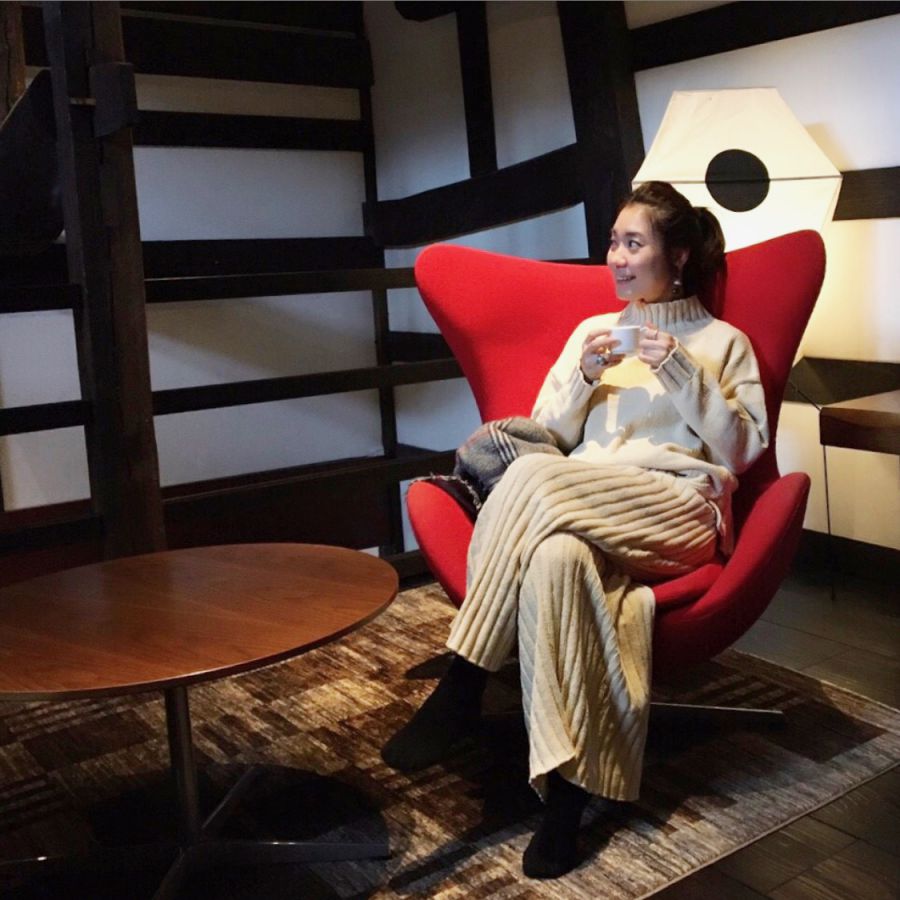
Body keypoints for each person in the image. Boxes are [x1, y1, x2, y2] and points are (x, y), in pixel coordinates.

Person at [381, 181, 770, 878]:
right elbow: (551, 435)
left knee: (532, 481)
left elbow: (742, 451)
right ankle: (566, 800)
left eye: (633, 243)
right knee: (556, 558)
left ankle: (465, 679)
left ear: (677, 256)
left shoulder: (723, 342)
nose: (615, 257)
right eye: (613, 242)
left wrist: (677, 368)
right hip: (581, 507)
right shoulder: (592, 333)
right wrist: (586, 375)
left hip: (677, 510)